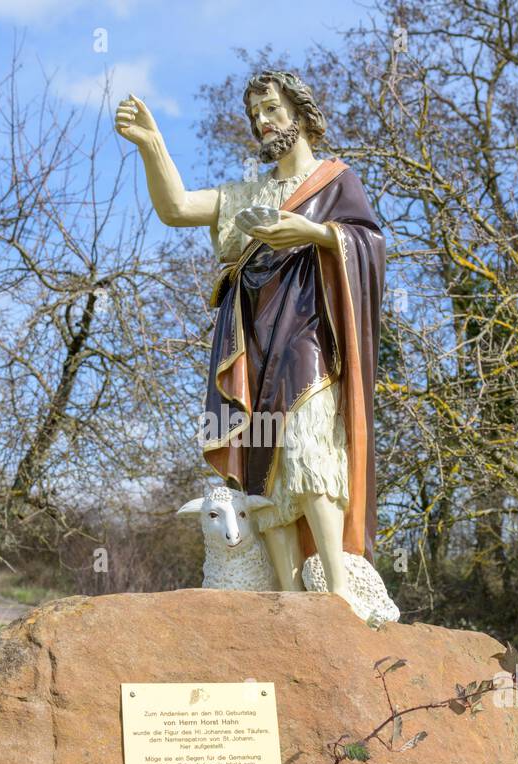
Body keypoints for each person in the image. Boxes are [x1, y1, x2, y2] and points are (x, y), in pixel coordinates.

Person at [115, 70, 387, 621]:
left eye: (271, 108)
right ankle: (288, 604)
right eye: (255, 114)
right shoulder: (247, 195)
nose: (262, 121)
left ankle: (337, 594)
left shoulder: (335, 181)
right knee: (267, 466)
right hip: (254, 342)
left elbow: (368, 243)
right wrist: (153, 145)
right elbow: (177, 208)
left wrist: (310, 232)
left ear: (302, 114)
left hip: (310, 335)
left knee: (310, 448)